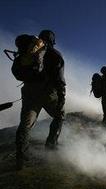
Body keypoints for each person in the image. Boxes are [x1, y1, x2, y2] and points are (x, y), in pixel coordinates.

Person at [13, 30, 65, 170]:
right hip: (48, 93)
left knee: (25, 124)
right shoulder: (55, 54)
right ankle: (51, 146)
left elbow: (18, 73)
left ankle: (21, 158)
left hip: (30, 93)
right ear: (52, 40)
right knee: (59, 115)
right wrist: (61, 97)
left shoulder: (28, 51)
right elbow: (60, 79)